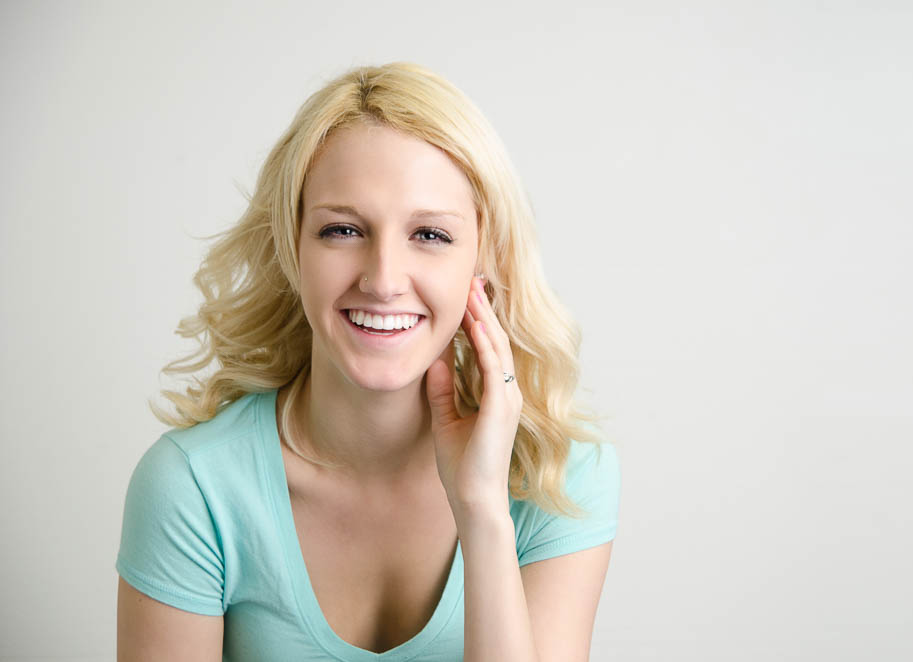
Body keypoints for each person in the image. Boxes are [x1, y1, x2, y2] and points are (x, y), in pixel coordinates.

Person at [115, 61, 621, 661]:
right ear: (292, 245)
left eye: (430, 234)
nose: (383, 280)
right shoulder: (194, 488)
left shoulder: (561, 479)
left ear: (482, 259)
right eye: (343, 230)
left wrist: (483, 511)